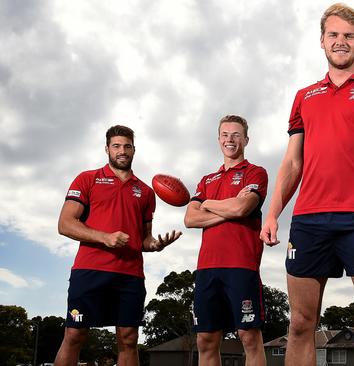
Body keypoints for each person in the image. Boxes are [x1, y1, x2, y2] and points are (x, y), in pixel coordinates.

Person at [260, 4, 354, 365]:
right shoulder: (304, 96)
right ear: (322, 41)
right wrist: (272, 213)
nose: (340, 41)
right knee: (299, 325)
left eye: (348, 35)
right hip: (309, 220)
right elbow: (292, 162)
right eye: (333, 35)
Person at [54, 125, 182, 366]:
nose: (122, 150)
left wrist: (154, 245)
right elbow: (65, 223)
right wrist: (105, 237)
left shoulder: (145, 191)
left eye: (127, 146)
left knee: (129, 338)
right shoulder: (87, 179)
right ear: (107, 149)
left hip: (130, 275)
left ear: (134, 150)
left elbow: (143, 238)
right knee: (74, 334)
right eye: (116, 146)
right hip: (90, 270)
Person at [184, 115, 268, 366]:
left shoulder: (256, 172)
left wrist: (207, 205)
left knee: (249, 336)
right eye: (225, 134)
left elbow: (242, 209)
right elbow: (190, 219)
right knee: (206, 339)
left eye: (236, 135)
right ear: (218, 139)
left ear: (246, 139)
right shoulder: (207, 180)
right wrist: (228, 208)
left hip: (241, 266)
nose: (230, 140)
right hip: (207, 268)